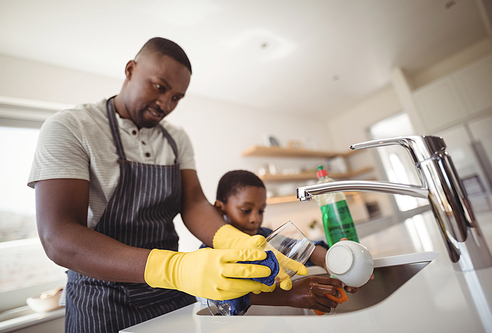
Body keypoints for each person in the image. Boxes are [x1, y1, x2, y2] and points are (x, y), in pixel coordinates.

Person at [27, 37, 304, 333]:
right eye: (159, 87)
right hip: (100, 301)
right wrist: (175, 268)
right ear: (130, 69)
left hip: (170, 295)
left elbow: (194, 202)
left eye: (176, 97)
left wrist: (233, 239)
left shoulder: (176, 139)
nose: (165, 104)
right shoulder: (70, 128)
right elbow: (58, 236)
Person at [198, 170, 345, 313]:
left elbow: (308, 250)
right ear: (219, 209)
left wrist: (333, 261)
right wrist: (290, 295)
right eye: (245, 210)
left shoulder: (263, 236)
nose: (255, 219)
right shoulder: (209, 252)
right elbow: (216, 298)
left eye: (261, 211)